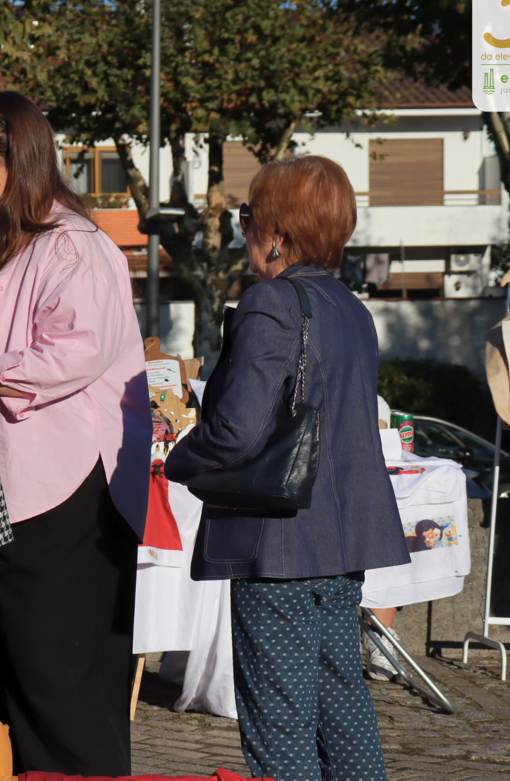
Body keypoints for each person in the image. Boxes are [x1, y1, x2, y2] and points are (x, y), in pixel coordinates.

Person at [164, 155, 410, 781]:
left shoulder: (270, 302)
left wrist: (177, 457)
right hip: (343, 545)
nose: (242, 230)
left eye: (247, 217)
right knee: (343, 708)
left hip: (278, 544)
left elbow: (237, 430)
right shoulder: (352, 309)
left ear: (276, 231)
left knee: (280, 727)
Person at [0, 91, 151, 776]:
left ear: (19, 160)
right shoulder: (1, 244)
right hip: (3, 484)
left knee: (58, 680)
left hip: (66, 488)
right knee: (5, 673)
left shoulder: (76, 245)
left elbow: (74, 351)